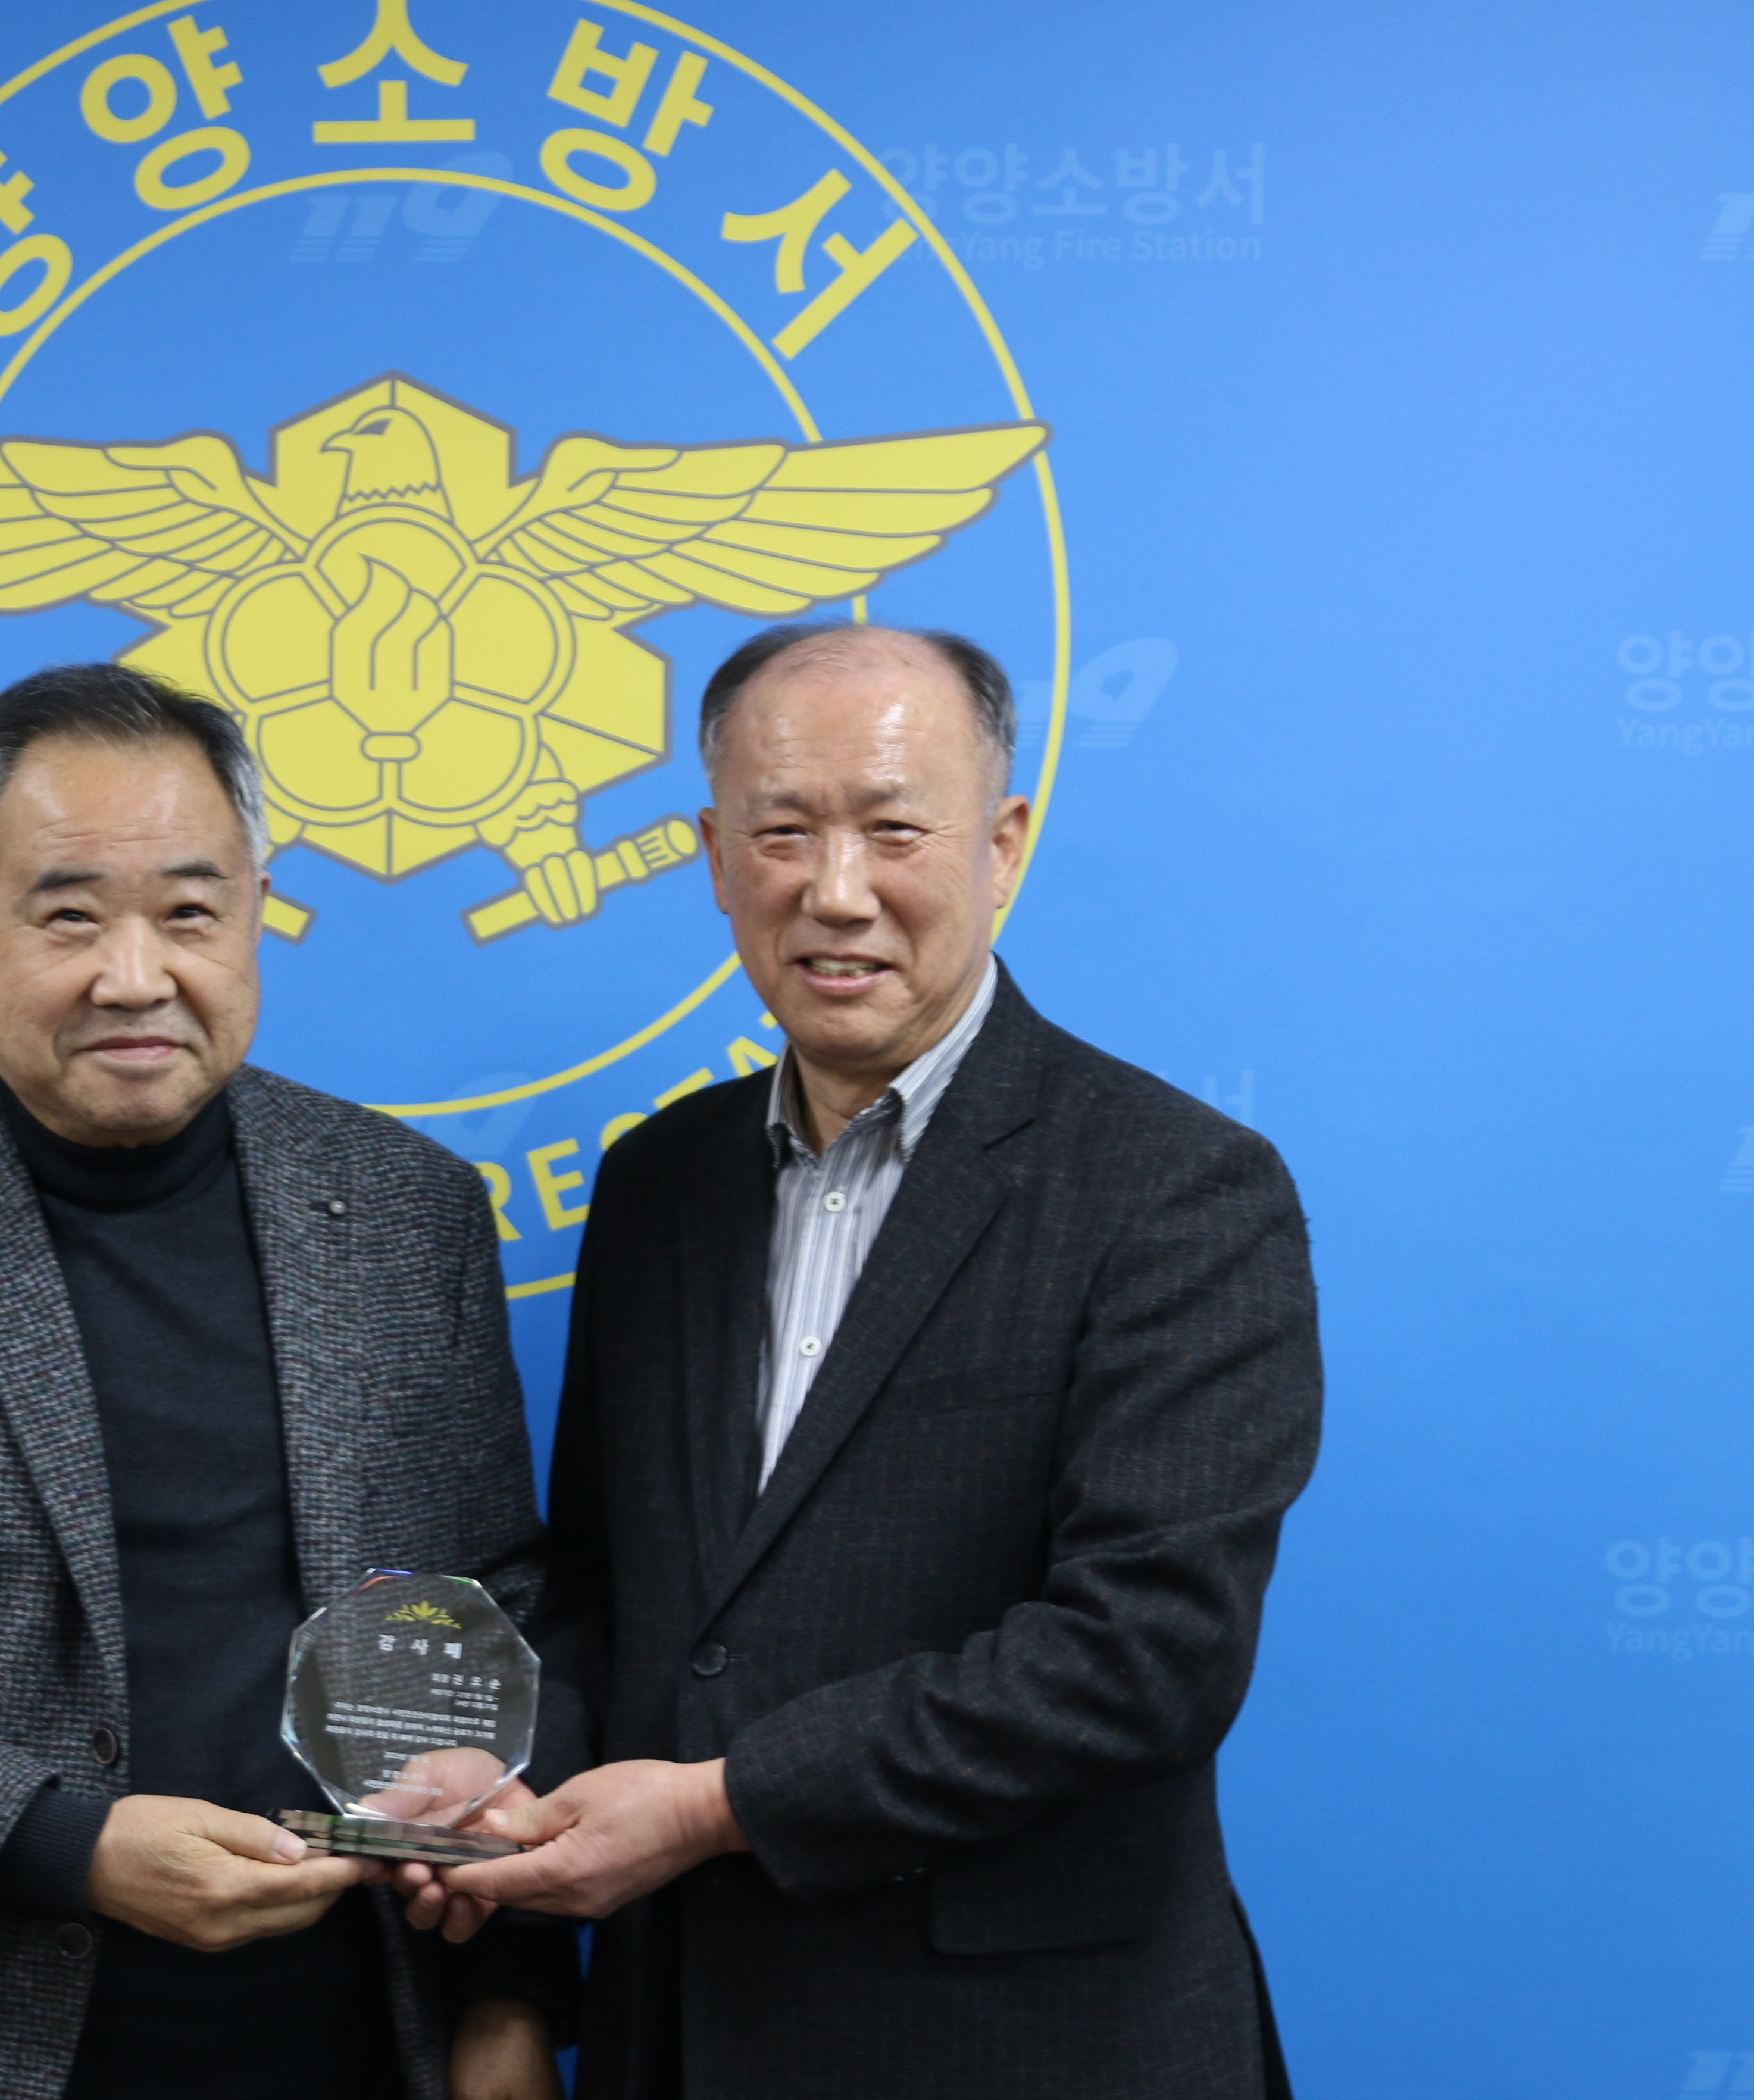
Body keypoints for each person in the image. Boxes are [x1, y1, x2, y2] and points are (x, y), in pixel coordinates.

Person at [409, 624, 1323, 2098]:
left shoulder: (1177, 1188)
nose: (837, 891)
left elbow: (1149, 1655)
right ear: (715, 856)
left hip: (1030, 2048)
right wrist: (511, 1781)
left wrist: (718, 1806)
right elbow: (604, 1592)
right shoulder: (658, 1183)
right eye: (783, 832)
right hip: (683, 2028)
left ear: (1003, 845)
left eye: (895, 830)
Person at [0, 664, 572, 2100]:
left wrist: (508, 1991)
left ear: (255, 916)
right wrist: (67, 1846)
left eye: (190, 913)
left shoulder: (405, 1209)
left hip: (344, 2034)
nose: (135, 976)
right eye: (69, 916)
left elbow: (490, 1605)